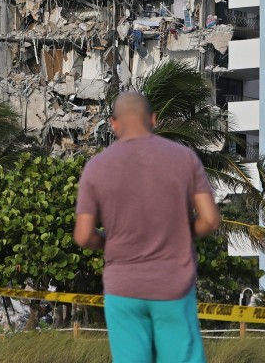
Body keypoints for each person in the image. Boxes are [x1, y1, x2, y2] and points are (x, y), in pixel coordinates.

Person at [73, 91, 220, 363]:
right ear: (153, 119)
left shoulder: (96, 167)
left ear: (113, 124)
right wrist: (180, 234)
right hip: (173, 286)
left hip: (123, 288)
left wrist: (110, 241)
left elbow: (83, 235)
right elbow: (211, 219)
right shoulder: (184, 158)